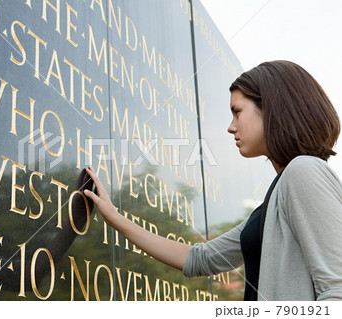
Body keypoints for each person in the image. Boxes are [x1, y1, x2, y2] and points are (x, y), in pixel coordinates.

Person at [83, 60, 342, 301]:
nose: (231, 126)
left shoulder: (304, 171)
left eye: (237, 112)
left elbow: (336, 289)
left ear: (271, 108)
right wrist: (114, 218)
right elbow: (201, 259)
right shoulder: (276, 196)